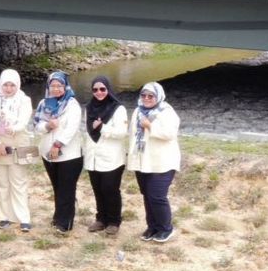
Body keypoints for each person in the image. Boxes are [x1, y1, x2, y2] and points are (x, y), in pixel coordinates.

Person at [126, 81, 181, 243]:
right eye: (143, 95)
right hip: (143, 160)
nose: (147, 98)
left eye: (151, 96)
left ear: (159, 96)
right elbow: (132, 133)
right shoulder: (138, 110)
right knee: (147, 195)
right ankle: (152, 226)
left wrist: (150, 126)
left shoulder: (166, 111)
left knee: (157, 196)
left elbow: (170, 134)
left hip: (162, 161)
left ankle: (166, 228)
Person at [34, 71, 83, 233]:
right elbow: (37, 126)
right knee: (57, 187)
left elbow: (72, 128)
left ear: (65, 86)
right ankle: (58, 217)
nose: (56, 89)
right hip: (47, 154)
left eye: (59, 85)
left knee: (66, 188)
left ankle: (65, 223)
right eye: (53, 86)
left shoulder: (72, 104)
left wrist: (57, 145)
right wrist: (47, 126)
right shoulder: (43, 103)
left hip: (69, 155)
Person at [82, 76, 129, 236]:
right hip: (93, 157)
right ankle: (101, 219)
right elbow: (87, 131)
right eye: (95, 89)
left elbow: (122, 133)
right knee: (97, 189)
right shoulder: (89, 107)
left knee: (110, 189)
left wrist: (103, 127)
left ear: (108, 89)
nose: (99, 92)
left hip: (112, 158)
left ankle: (114, 221)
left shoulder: (118, 108)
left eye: (102, 89)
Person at [0, 69, 34, 232]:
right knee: (2, 183)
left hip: (19, 145)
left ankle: (23, 218)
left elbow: (23, 121)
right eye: (5, 85)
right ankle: (4, 217)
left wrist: (12, 128)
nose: (8, 89)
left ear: (18, 85)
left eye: (12, 85)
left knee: (19, 182)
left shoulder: (24, 100)